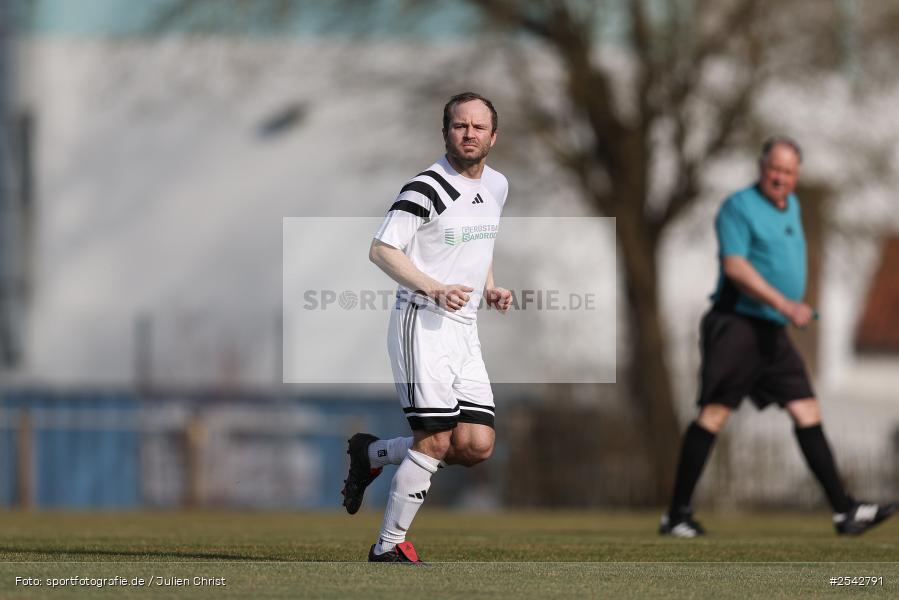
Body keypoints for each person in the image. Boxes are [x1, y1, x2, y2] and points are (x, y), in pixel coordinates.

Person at [660, 136, 897, 538]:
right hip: (736, 324)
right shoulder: (738, 207)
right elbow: (735, 266)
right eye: (774, 169)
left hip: (771, 332)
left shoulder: (795, 206)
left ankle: (844, 512)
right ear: (761, 166)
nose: (780, 177)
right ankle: (677, 515)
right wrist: (784, 304)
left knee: (806, 409)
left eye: (788, 172)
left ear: (796, 175)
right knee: (714, 414)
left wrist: (785, 309)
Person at [341, 92, 513, 563]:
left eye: (479, 127)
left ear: (493, 136)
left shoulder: (496, 185)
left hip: (464, 327)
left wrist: (490, 286)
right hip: (422, 323)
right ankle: (388, 547)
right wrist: (434, 288)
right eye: (461, 126)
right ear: (446, 133)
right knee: (435, 439)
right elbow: (382, 250)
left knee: (475, 445)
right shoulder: (425, 187)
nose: (470, 133)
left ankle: (371, 455)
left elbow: (481, 243)